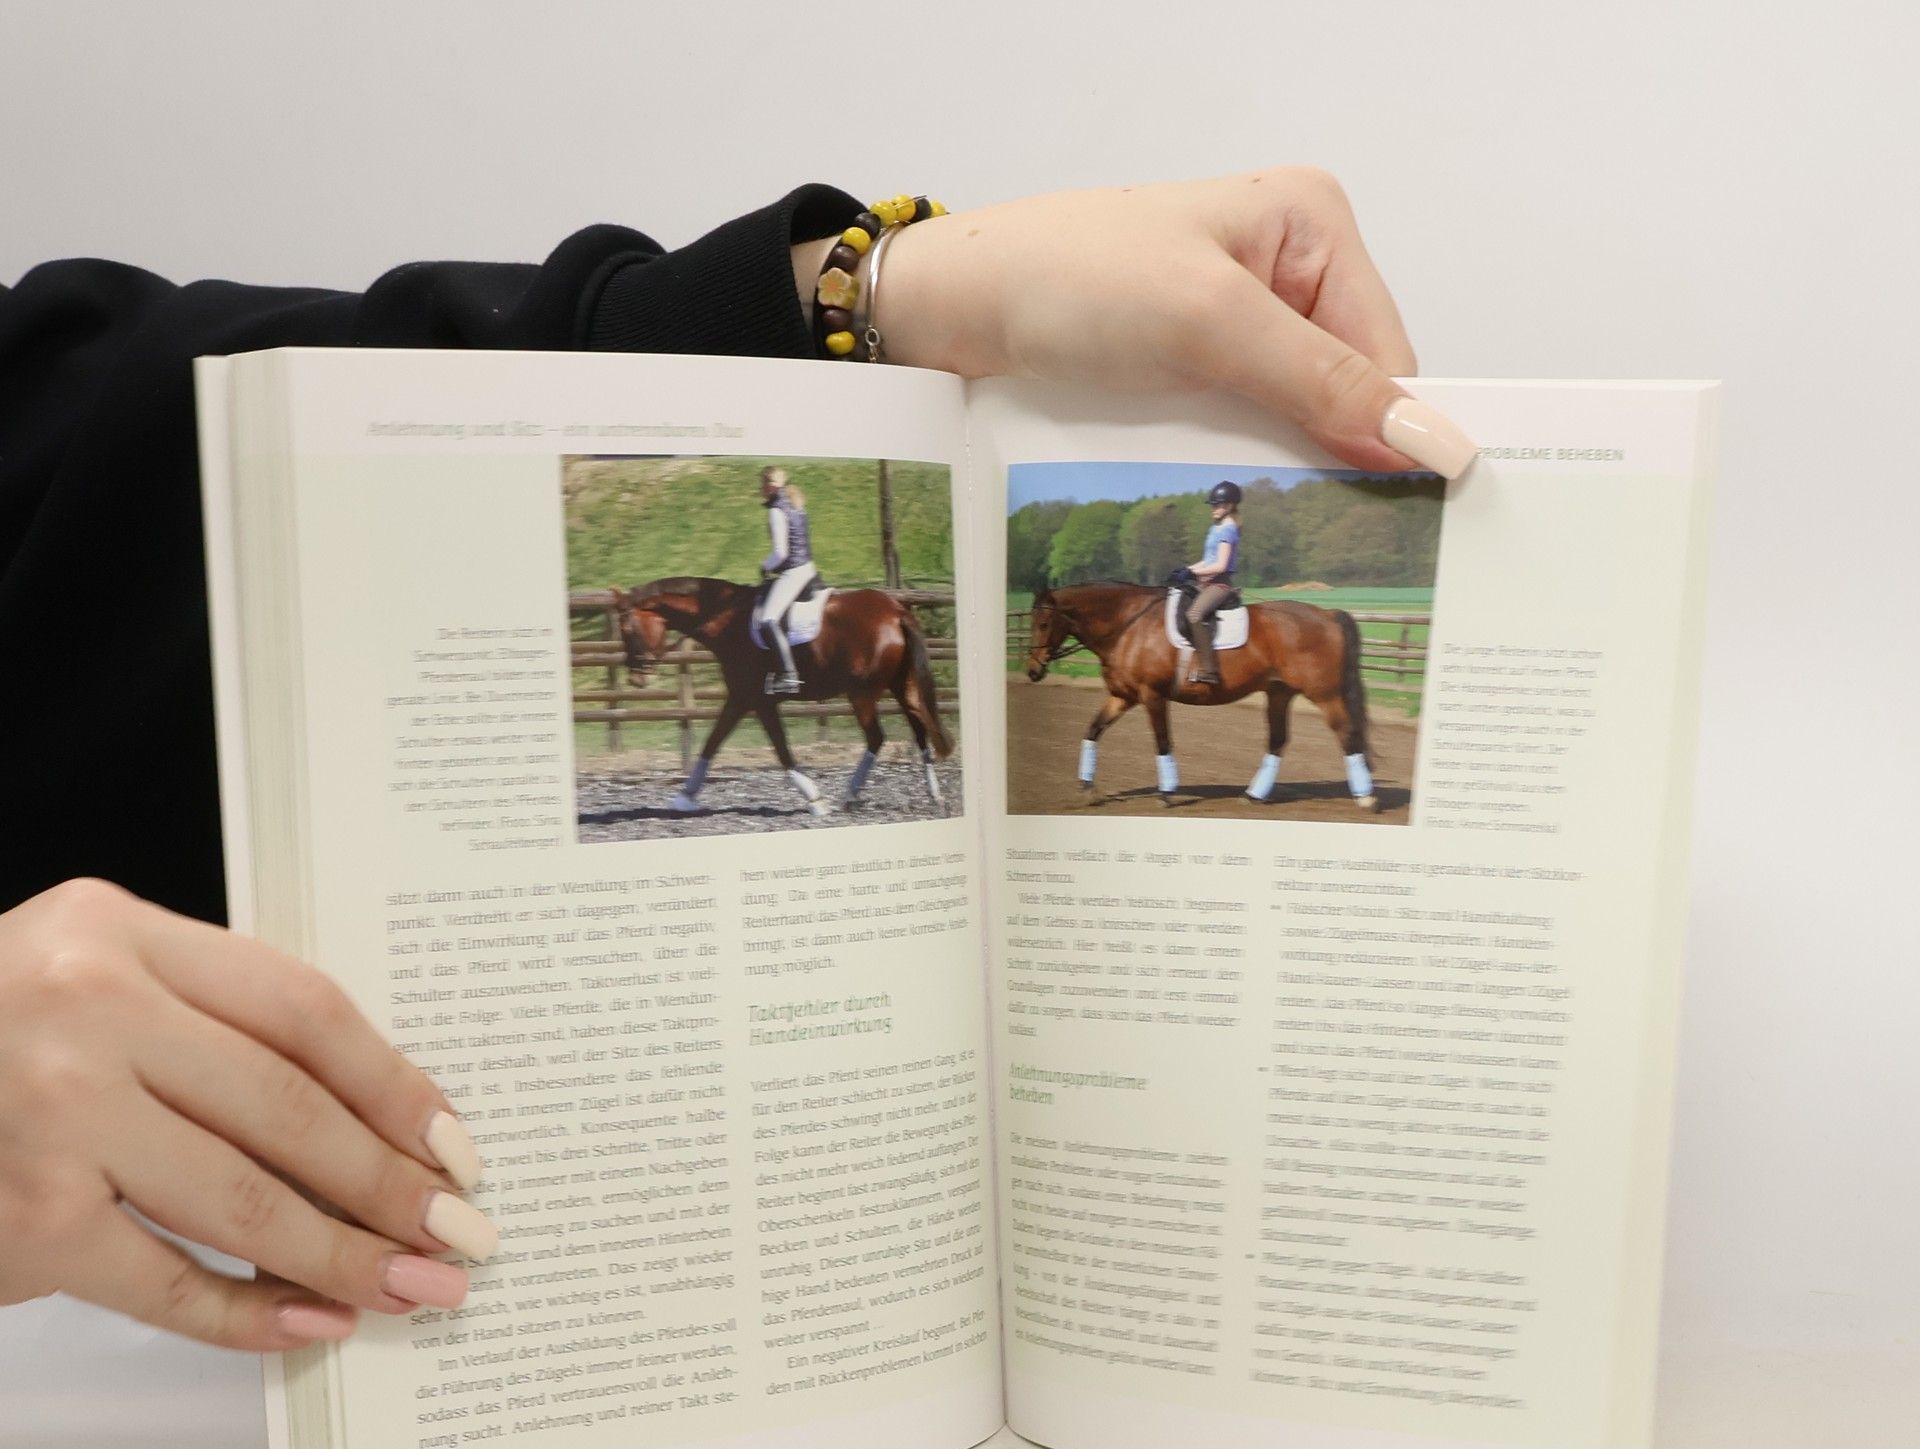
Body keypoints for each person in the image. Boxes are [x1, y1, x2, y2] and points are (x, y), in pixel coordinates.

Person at [0, 168, 1476, 1355]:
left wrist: (868, 292)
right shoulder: (782, 520)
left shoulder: (1207, 535)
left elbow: (95, 424)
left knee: (1119, 617)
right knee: (780, 617)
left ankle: (1150, 703)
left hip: (1046, 588)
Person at [755, 466, 818, 696]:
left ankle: (789, 676)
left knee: (767, 620)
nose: (760, 489)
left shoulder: (776, 509)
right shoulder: (794, 500)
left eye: (762, 484)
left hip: (794, 572)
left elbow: (780, 553)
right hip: (809, 569)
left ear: (771, 485)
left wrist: (765, 567)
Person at [1181, 479, 1244, 686]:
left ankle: (1209, 671)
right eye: (1213, 505)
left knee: (1194, 615)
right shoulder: (1215, 528)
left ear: (1230, 505)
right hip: (1206, 581)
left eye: (1218, 505)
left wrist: (1193, 574)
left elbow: (1220, 566)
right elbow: (1208, 561)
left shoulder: (1228, 529)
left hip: (1219, 584)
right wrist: (1187, 570)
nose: (1214, 508)